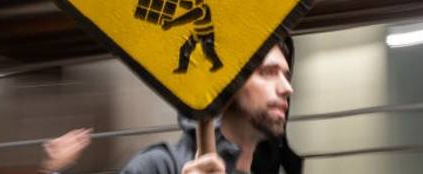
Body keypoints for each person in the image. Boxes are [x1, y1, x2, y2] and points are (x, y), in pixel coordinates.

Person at [120, 39, 302, 174]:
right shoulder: (157, 167)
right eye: (268, 72)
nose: (287, 88)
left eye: (286, 76)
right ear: (228, 83)